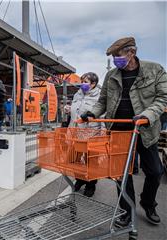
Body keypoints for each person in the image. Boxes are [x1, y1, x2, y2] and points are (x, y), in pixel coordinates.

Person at [81, 37, 167, 226]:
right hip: (118, 132)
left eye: (117, 56)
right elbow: (102, 101)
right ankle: (126, 211)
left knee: (155, 171)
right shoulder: (111, 75)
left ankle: (148, 202)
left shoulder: (155, 70)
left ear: (132, 53)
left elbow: (163, 98)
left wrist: (147, 115)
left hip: (144, 130)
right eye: (113, 57)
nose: (115, 60)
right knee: (122, 175)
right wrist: (91, 113)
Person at [69, 72, 102, 197]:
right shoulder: (78, 94)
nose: (82, 83)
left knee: (91, 160)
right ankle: (80, 179)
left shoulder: (99, 96)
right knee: (74, 159)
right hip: (76, 132)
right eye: (82, 81)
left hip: (91, 133)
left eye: (85, 81)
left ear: (93, 84)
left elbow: (103, 115)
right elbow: (75, 112)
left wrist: (102, 135)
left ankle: (91, 184)